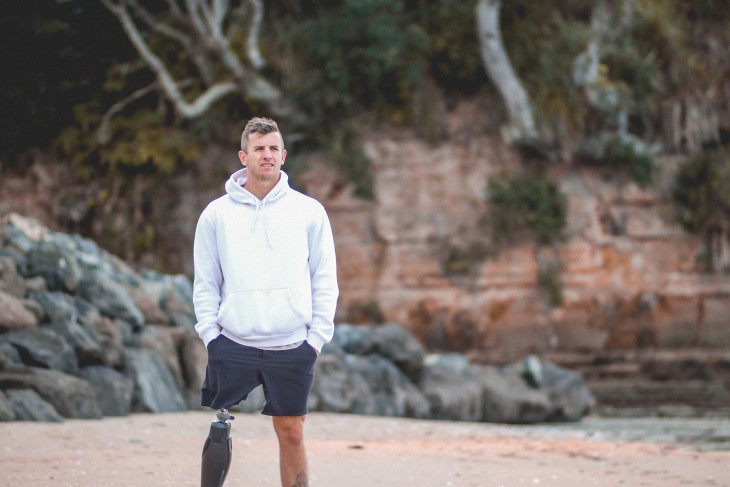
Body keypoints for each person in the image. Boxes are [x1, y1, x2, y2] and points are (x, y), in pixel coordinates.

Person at [193, 116, 339, 487]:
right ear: (244, 157)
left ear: (284, 155)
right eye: (259, 148)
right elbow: (206, 282)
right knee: (220, 427)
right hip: (234, 340)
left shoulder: (309, 211)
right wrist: (211, 334)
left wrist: (316, 340)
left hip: (292, 342)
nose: (267, 155)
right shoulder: (216, 215)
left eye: (274, 148)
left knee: (291, 431)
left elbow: (325, 278)